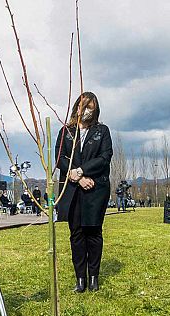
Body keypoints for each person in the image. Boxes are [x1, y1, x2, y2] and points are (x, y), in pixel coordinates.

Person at [55, 92, 113, 293]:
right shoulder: (66, 131)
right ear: (76, 107)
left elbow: (105, 156)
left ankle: (94, 277)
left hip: (96, 189)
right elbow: (60, 158)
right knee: (77, 233)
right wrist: (77, 177)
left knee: (94, 231)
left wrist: (83, 171)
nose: (87, 110)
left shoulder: (101, 131)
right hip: (72, 189)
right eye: (84, 106)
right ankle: (80, 279)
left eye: (91, 107)